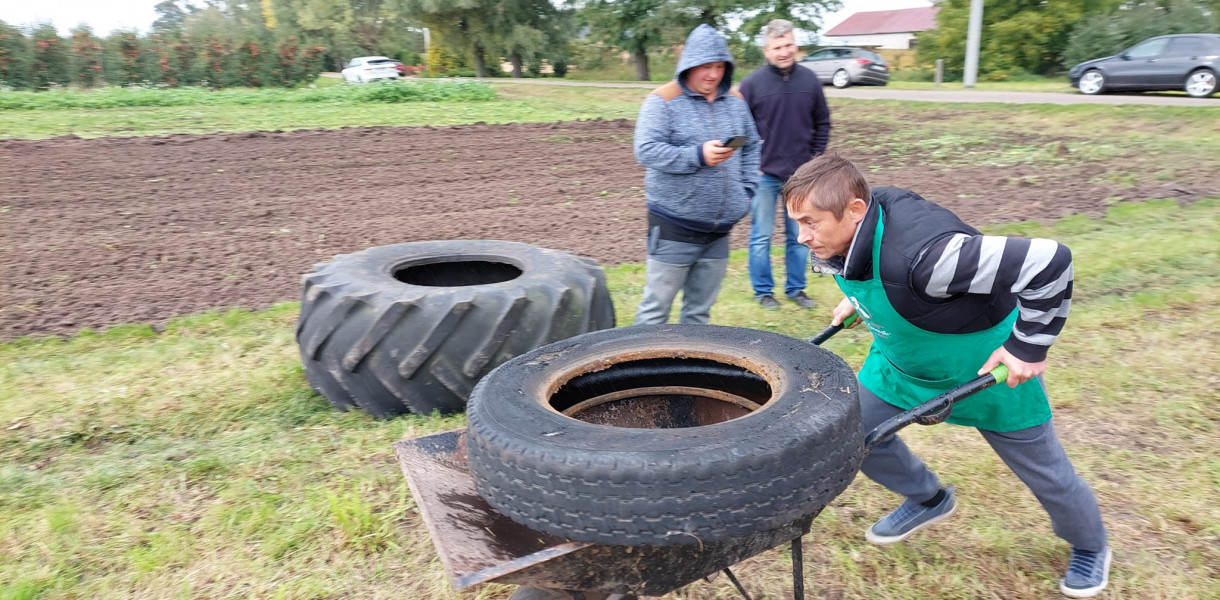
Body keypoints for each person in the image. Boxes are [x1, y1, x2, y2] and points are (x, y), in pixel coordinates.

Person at [783, 153, 1110, 598]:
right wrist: (860, 304)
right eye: (796, 222)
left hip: (984, 372)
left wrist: (1028, 345)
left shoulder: (930, 258)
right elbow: (876, 278)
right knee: (851, 432)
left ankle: (1091, 547)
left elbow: (1050, 261)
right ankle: (927, 498)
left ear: (856, 210)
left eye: (811, 222)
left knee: (1046, 473)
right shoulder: (849, 233)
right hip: (901, 364)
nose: (802, 237)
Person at [631, 24, 760, 325]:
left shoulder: (737, 103)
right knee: (654, 311)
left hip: (719, 231)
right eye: (705, 66)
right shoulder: (662, 101)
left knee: (698, 315)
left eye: (719, 67)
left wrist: (748, 191)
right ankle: (639, 371)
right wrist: (697, 155)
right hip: (674, 226)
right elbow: (646, 150)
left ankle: (687, 371)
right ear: (688, 64)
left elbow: (752, 146)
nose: (713, 75)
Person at [738, 19, 831, 311]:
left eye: (788, 45)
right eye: (777, 47)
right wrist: (750, 166)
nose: (784, 51)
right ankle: (763, 292)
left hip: (801, 178)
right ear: (766, 50)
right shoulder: (752, 84)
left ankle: (796, 289)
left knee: (799, 236)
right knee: (761, 237)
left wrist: (814, 161)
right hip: (764, 175)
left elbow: (823, 122)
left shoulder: (810, 81)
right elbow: (739, 129)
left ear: (796, 45)